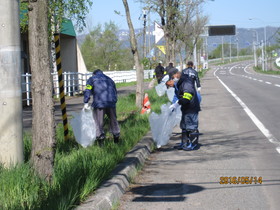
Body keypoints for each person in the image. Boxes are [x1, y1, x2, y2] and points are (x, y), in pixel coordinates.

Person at [167, 67, 201, 151]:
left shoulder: (186, 82)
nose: (169, 85)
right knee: (184, 126)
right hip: (186, 107)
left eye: (170, 80)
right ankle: (184, 143)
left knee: (191, 125)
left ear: (176, 75)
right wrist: (174, 105)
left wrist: (177, 104)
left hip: (191, 107)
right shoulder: (179, 83)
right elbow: (178, 96)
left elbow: (187, 96)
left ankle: (193, 144)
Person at [83, 69, 120, 145]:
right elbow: (115, 92)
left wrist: (86, 102)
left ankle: (101, 141)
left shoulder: (92, 79)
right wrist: (114, 101)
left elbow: (88, 90)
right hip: (111, 103)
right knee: (113, 121)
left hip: (99, 104)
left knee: (99, 122)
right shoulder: (110, 79)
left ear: (94, 74)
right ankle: (116, 138)